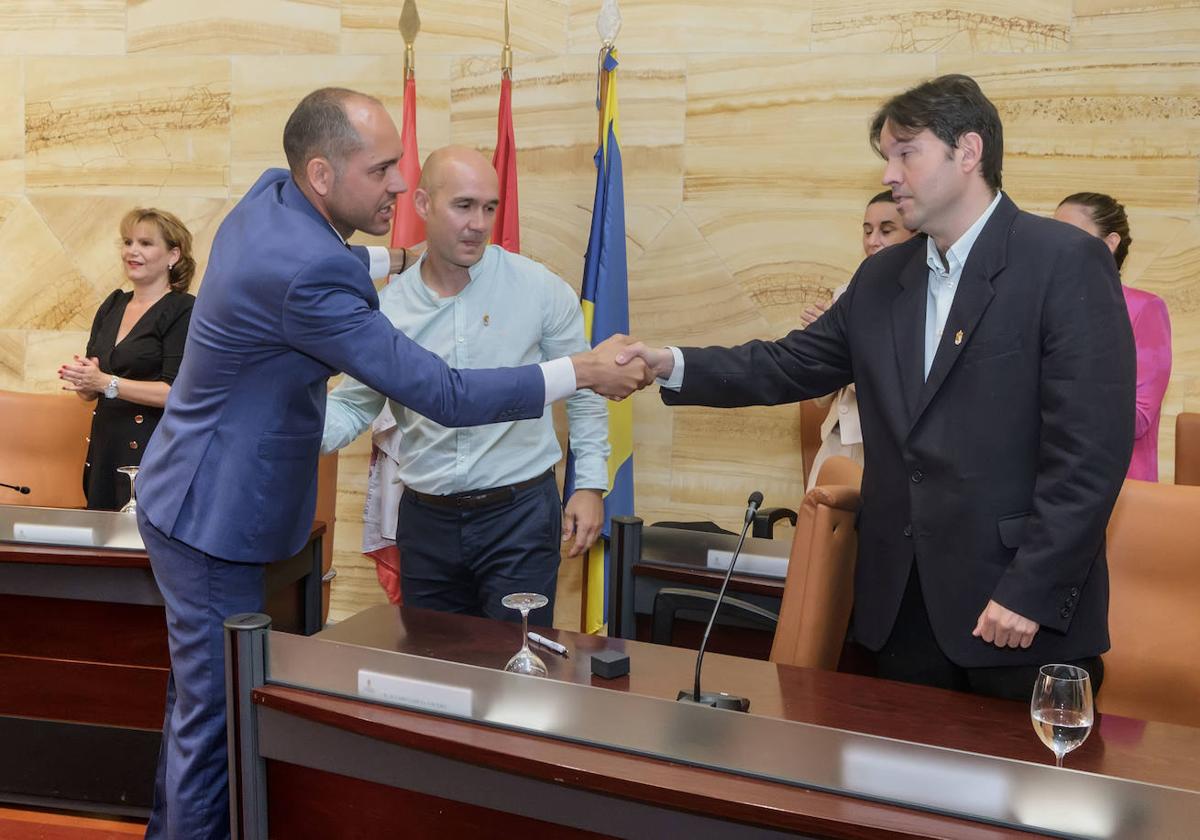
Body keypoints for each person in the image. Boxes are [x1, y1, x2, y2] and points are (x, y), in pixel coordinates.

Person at [133, 87, 648, 840]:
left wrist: (396, 254)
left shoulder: (266, 199)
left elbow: (327, 259)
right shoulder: (315, 276)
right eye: (381, 171)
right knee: (213, 724)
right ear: (320, 173)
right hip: (215, 515)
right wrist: (581, 373)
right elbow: (443, 392)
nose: (400, 187)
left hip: (190, 492)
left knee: (196, 706)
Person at [618, 74, 1135, 701]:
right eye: (886, 156)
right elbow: (786, 365)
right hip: (901, 613)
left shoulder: (1063, 261)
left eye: (905, 153)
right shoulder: (882, 279)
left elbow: (1090, 453)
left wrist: (1030, 589)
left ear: (967, 152)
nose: (889, 174)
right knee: (899, 798)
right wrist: (665, 362)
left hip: (1018, 614)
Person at [323, 146, 610, 626]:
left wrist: (591, 485)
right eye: (463, 206)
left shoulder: (538, 289)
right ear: (421, 205)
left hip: (519, 518)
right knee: (435, 672)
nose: (479, 223)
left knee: (518, 676)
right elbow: (354, 405)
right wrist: (282, 428)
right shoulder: (387, 310)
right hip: (426, 522)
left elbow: (582, 386)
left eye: (490, 207)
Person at [57, 209, 196, 510]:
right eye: (128, 242)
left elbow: (175, 393)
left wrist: (107, 382)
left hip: (151, 453)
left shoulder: (183, 310)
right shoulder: (113, 304)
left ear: (174, 255)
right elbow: (92, 390)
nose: (132, 251)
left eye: (146, 243)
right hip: (106, 449)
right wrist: (84, 380)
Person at [801, 192, 915, 489]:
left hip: (882, 450)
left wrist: (842, 353)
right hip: (835, 443)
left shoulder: (920, 300)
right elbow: (819, 396)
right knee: (816, 532)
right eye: (867, 231)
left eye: (886, 230)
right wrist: (818, 348)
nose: (873, 241)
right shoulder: (844, 294)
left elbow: (897, 385)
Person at [1054, 192, 1171, 482]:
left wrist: (1049, 404)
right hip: (1055, 482)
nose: (1057, 246)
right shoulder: (1048, 308)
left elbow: (1138, 417)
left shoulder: (1145, 309)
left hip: (1121, 486)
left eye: (1071, 234)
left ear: (1110, 243)